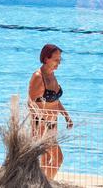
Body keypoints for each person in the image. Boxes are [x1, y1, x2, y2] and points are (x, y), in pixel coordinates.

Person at [27, 44, 72, 180]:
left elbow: (55, 100)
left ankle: (41, 184)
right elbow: (31, 103)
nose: (59, 63)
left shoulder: (52, 74)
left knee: (47, 162)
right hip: (41, 125)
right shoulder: (38, 77)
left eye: (60, 60)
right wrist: (43, 119)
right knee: (58, 159)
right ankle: (46, 184)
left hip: (53, 124)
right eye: (56, 60)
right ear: (46, 59)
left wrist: (66, 116)